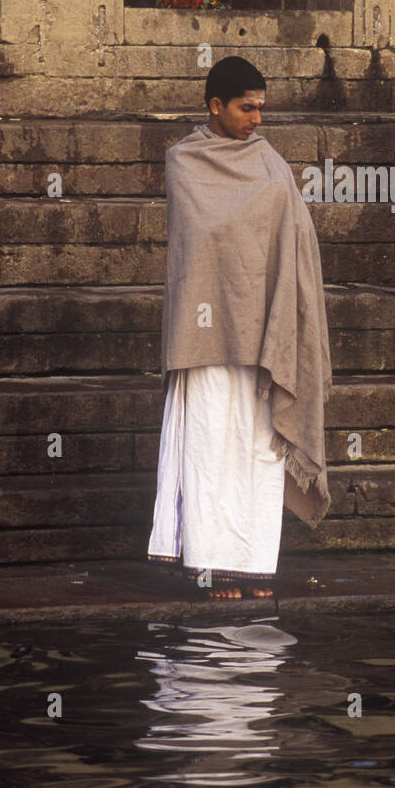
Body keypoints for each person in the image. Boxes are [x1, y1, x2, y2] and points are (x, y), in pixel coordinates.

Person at [147, 55, 332, 600]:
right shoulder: (184, 162)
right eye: (246, 108)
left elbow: (291, 237)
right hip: (206, 335)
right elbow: (202, 240)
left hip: (263, 332)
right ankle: (209, 564)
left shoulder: (270, 163)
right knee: (210, 445)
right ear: (215, 107)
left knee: (258, 446)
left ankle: (252, 567)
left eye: (261, 109)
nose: (256, 119)